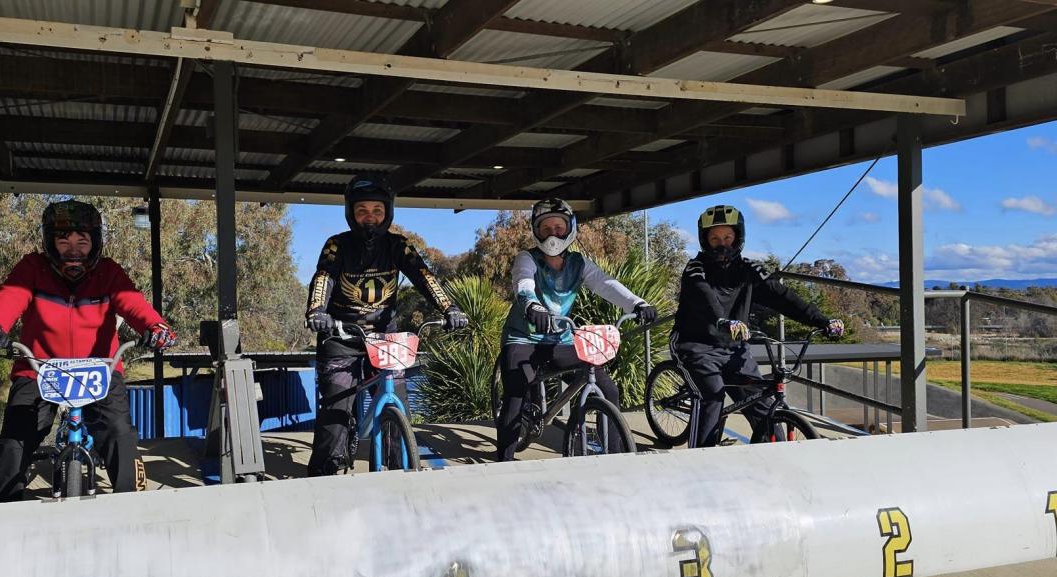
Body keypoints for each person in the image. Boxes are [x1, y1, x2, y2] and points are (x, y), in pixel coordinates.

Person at [0, 199, 176, 502]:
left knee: (119, 433)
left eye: (82, 242)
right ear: (49, 242)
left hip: (100, 368)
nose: (73, 250)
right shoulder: (32, 268)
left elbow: (133, 302)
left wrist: (155, 326)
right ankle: (0, 509)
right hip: (39, 368)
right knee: (15, 441)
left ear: (95, 243)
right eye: (63, 241)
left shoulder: (108, 273)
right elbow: (10, 297)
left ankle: (134, 505)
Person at [304, 174, 468, 476]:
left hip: (384, 338)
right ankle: (323, 478)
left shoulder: (398, 245)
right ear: (351, 213)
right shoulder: (337, 245)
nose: (370, 217)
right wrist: (317, 311)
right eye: (362, 210)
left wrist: (450, 308)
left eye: (377, 210)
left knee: (399, 405)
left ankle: (399, 471)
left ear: (388, 212)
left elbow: (424, 276)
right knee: (335, 417)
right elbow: (323, 277)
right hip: (340, 336)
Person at [496, 198, 659, 461]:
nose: (552, 235)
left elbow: (605, 284)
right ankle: (503, 462)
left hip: (560, 339)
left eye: (558, 228)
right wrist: (532, 306)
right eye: (546, 228)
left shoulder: (578, 263)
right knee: (516, 392)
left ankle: (616, 456)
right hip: (523, 338)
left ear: (569, 228)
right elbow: (523, 282)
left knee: (608, 388)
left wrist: (637, 304)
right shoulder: (527, 258)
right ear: (536, 231)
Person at [673, 205, 844, 447]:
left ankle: (776, 455)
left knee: (762, 402)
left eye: (727, 237)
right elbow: (704, 297)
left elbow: (781, 296)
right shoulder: (695, 268)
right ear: (705, 240)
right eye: (714, 239)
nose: (722, 244)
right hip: (696, 345)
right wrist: (722, 320)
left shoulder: (749, 269)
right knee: (712, 396)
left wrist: (821, 320)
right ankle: (700, 458)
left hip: (734, 347)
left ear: (738, 238)